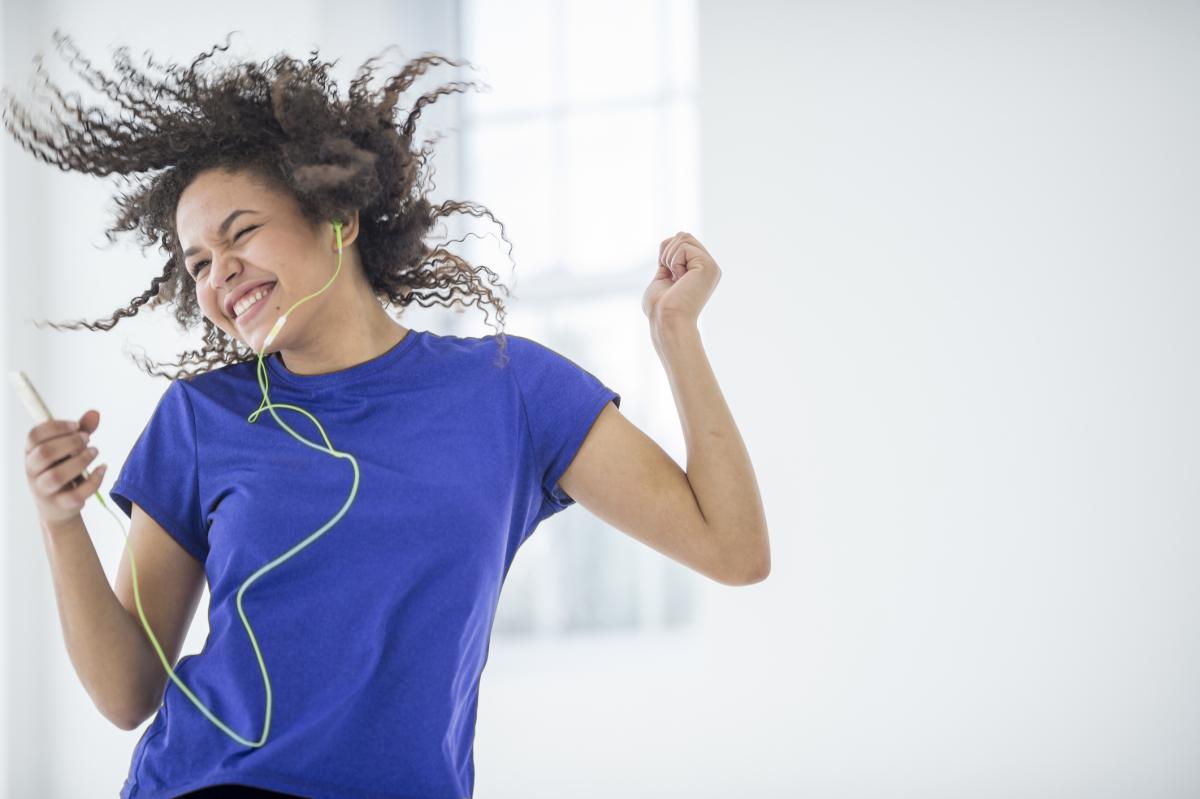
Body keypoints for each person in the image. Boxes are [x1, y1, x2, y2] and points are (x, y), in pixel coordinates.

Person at [12, 28, 767, 799]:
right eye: (198, 263)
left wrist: (675, 334)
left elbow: (733, 549)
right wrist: (60, 518)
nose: (218, 275)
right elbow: (126, 692)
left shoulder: (510, 390)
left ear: (337, 217)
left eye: (240, 233)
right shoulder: (201, 417)